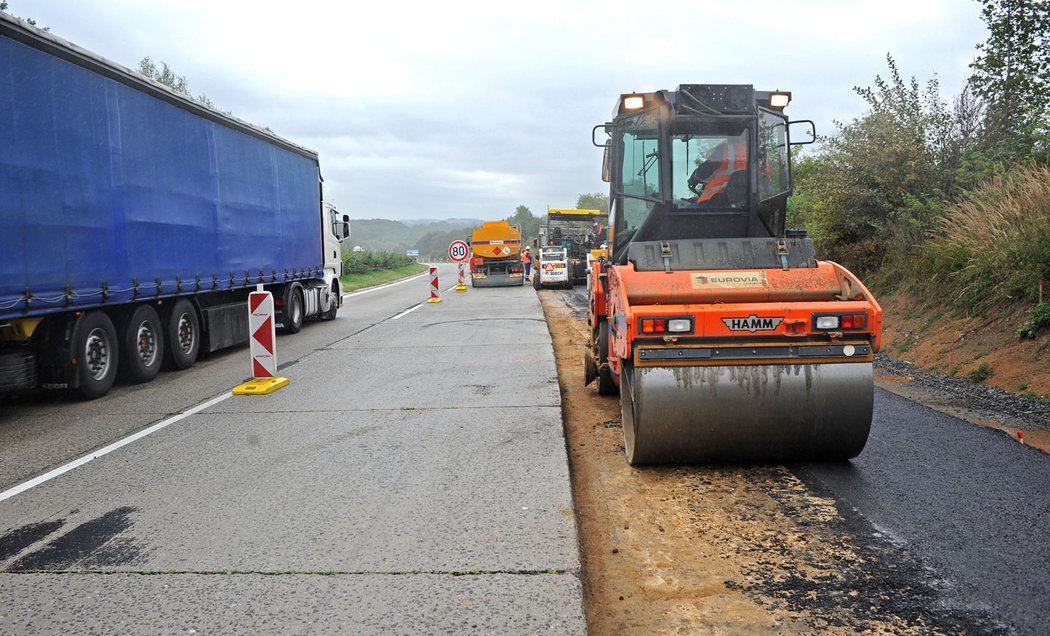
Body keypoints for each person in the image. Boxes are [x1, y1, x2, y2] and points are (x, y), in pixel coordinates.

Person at [688, 137, 748, 205]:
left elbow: (707, 168)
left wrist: (694, 177)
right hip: (737, 202)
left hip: (717, 199)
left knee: (686, 209)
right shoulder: (750, 149)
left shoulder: (725, 150)